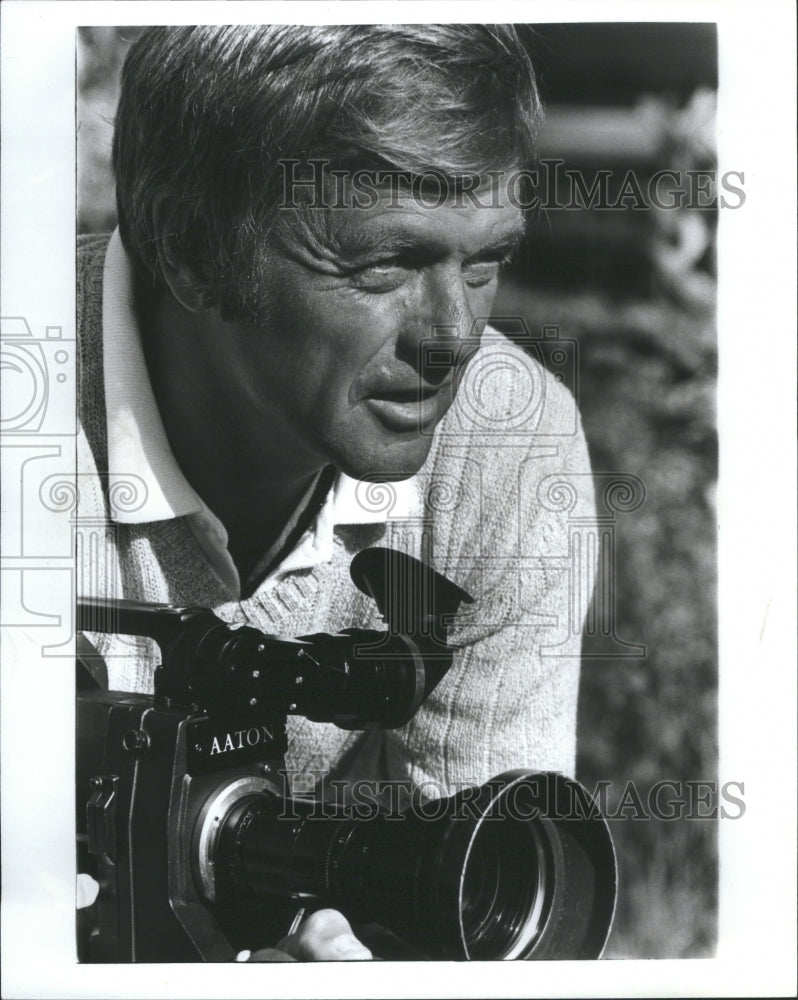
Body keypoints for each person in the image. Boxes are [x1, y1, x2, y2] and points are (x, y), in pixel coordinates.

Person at [77, 24, 596, 960]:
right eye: (385, 266)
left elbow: (493, 912)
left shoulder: (507, 440)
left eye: (485, 263)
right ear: (187, 248)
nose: (457, 336)